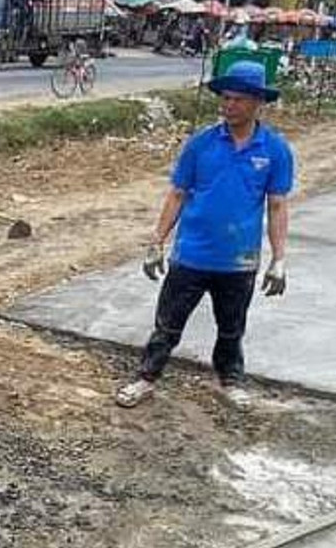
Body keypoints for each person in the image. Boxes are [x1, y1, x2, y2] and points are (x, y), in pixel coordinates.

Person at [115, 60, 292, 412]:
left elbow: (276, 206)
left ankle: (230, 380)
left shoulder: (274, 150)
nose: (229, 106)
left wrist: (279, 259)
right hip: (192, 254)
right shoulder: (201, 145)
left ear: (258, 103)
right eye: (225, 98)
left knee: (231, 328)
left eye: (238, 100)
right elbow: (177, 194)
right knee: (167, 325)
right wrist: (157, 241)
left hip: (239, 258)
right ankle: (146, 378)